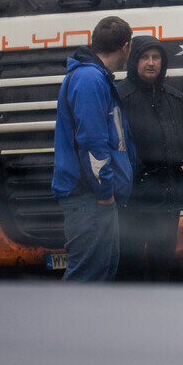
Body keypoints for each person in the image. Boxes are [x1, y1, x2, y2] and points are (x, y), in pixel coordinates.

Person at [51, 16, 135, 281]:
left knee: (101, 274)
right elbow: (92, 143)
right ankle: (66, 323)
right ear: (126, 46)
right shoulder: (89, 79)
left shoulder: (96, 76)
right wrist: (105, 192)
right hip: (89, 196)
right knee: (86, 278)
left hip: (95, 196)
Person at [117, 35, 183, 282]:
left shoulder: (174, 97)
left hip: (169, 196)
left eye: (155, 57)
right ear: (133, 61)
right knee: (127, 262)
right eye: (144, 57)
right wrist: (136, 174)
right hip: (133, 199)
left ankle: (158, 312)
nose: (150, 63)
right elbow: (111, 142)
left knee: (162, 261)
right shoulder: (120, 97)